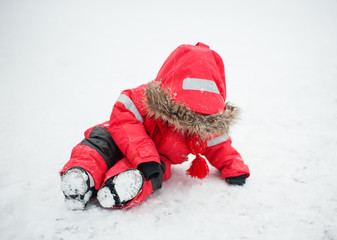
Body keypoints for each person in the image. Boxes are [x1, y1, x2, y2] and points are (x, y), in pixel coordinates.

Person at [60, 42, 250, 210]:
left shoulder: (204, 123)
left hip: (157, 159)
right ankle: (80, 176)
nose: (190, 118)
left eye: (198, 114)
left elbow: (220, 145)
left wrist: (234, 167)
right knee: (100, 145)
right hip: (118, 136)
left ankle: (121, 188)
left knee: (153, 174)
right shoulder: (145, 98)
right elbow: (123, 114)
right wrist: (144, 155)